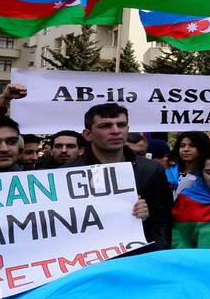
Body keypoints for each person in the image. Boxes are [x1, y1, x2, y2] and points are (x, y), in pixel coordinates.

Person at [71, 103, 172, 250]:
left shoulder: (151, 170)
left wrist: (158, 255)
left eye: (121, 124)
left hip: (137, 259)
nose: (116, 131)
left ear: (128, 129)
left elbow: (163, 220)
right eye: (105, 126)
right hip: (88, 261)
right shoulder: (68, 173)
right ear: (87, 134)